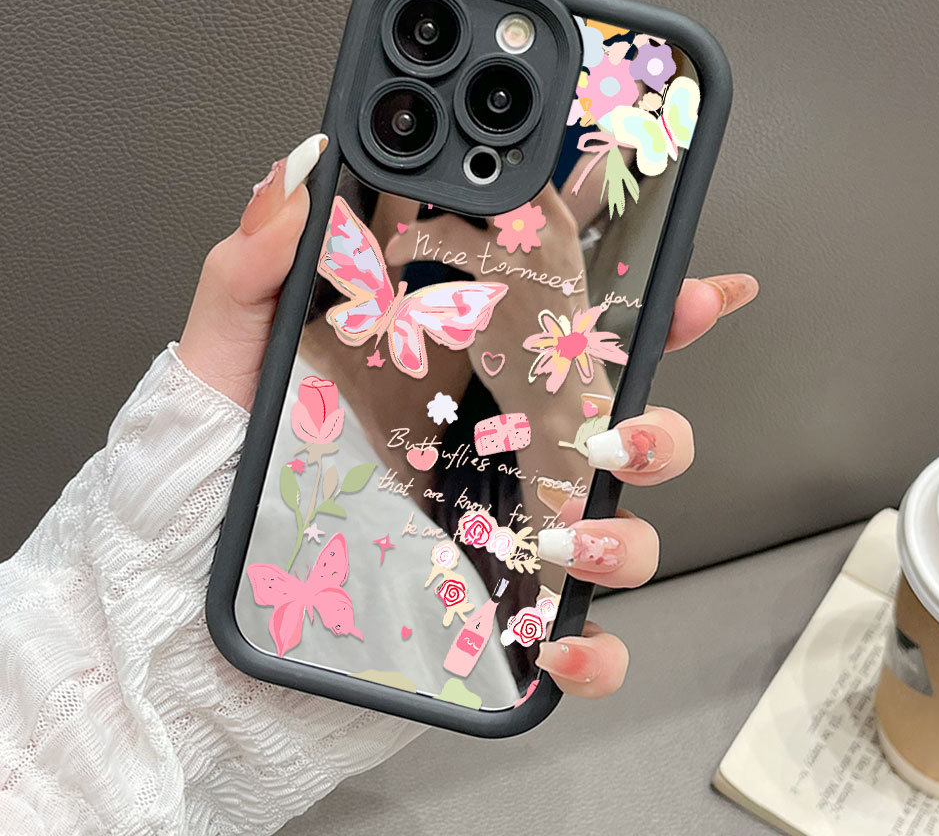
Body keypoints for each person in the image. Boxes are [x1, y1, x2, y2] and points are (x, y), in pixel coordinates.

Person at [0, 135, 759, 834]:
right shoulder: (238, 406)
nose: (499, 173)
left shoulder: (507, 489)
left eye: (574, 137)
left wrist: (555, 405)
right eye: (467, 124)